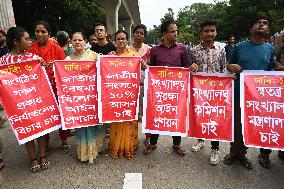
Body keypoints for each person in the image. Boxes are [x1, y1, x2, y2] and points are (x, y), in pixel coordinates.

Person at [224, 16, 277, 169]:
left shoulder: (270, 49)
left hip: (260, 98)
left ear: (268, 31)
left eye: (265, 23)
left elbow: (270, 71)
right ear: (251, 29)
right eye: (258, 23)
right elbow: (228, 64)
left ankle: (244, 154)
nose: (261, 25)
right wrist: (231, 66)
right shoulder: (239, 47)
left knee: (254, 126)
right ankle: (235, 153)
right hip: (239, 94)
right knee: (238, 126)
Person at [0, 27, 50, 172]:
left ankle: (42, 155)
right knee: (26, 127)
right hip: (17, 102)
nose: (30, 41)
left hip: (35, 99)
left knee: (39, 126)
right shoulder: (3, 61)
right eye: (26, 39)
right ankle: (33, 158)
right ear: (16, 42)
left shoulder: (33, 58)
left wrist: (41, 66)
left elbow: (41, 78)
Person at [143, 20, 190, 156]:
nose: (176, 33)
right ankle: (153, 143)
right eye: (173, 31)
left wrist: (191, 68)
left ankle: (177, 144)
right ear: (164, 33)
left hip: (176, 91)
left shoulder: (182, 49)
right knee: (156, 114)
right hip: (159, 91)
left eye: (176, 30)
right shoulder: (155, 50)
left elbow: (186, 68)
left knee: (176, 115)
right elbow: (152, 70)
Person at [28, 21, 70, 153]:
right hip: (38, 89)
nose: (40, 34)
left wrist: (56, 65)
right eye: (37, 31)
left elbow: (64, 68)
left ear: (49, 34)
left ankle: (64, 139)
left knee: (60, 113)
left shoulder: (56, 48)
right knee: (43, 115)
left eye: (43, 31)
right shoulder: (31, 49)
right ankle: (45, 142)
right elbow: (26, 69)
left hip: (56, 87)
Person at [189, 19, 227, 165]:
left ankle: (215, 148)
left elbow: (223, 70)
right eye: (206, 31)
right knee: (200, 117)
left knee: (214, 120)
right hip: (199, 92)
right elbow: (190, 70)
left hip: (216, 92)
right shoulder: (193, 50)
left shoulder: (221, 50)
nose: (209, 33)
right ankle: (200, 140)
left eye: (212, 30)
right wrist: (191, 67)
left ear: (216, 32)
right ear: (201, 33)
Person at [65, 32, 106, 163]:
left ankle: (95, 149)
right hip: (77, 99)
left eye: (80, 40)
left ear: (85, 41)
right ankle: (85, 153)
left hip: (92, 96)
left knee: (94, 123)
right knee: (81, 124)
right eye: (74, 40)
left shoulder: (94, 56)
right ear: (71, 42)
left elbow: (107, 65)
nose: (77, 42)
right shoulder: (67, 60)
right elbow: (63, 77)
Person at [107, 30, 139, 159]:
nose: (121, 41)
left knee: (128, 120)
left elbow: (138, 72)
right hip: (115, 95)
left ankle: (128, 146)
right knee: (117, 119)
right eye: (118, 39)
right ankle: (117, 147)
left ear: (127, 40)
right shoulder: (110, 56)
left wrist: (142, 65)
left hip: (129, 94)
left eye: (123, 39)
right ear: (115, 41)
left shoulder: (133, 55)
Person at [128, 24, 151, 145]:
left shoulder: (148, 50)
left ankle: (148, 136)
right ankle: (133, 136)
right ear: (133, 34)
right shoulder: (127, 50)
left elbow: (153, 68)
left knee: (146, 111)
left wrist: (146, 67)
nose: (139, 35)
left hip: (145, 85)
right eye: (137, 32)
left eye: (142, 33)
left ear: (144, 36)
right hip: (131, 86)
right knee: (133, 110)